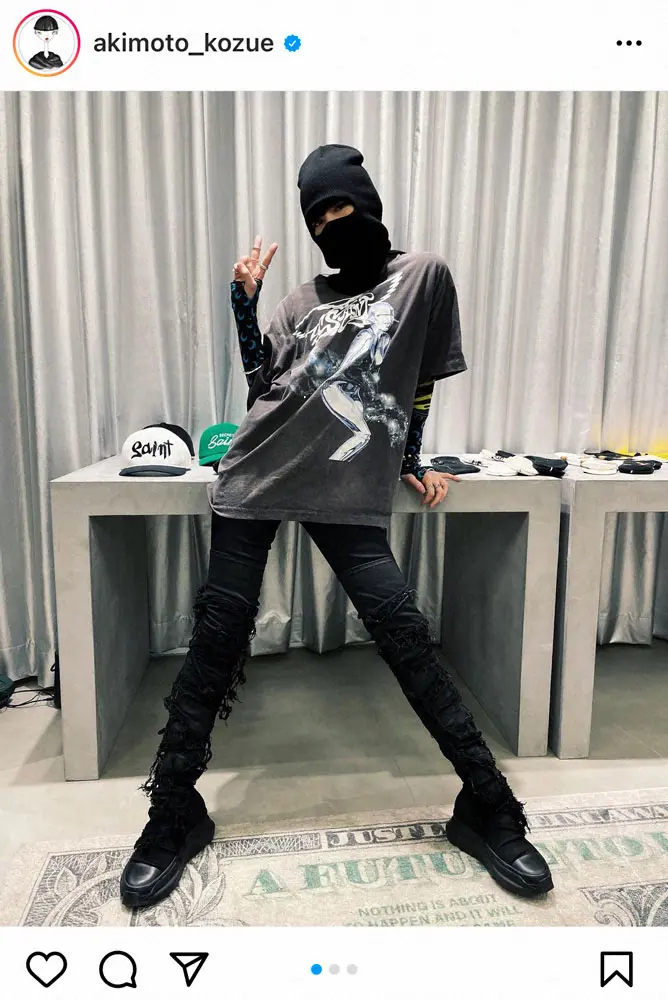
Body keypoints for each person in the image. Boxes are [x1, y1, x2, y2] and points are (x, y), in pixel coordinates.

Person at [120, 144, 553, 909]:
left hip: (344, 484)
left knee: (402, 632)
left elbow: (419, 379)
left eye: (340, 207)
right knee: (218, 637)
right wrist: (243, 304)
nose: (329, 224)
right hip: (254, 473)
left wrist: (410, 459)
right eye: (316, 216)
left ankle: (487, 805)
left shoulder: (422, 275)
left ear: (368, 202)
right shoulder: (298, 299)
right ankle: (174, 812)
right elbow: (264, 386)